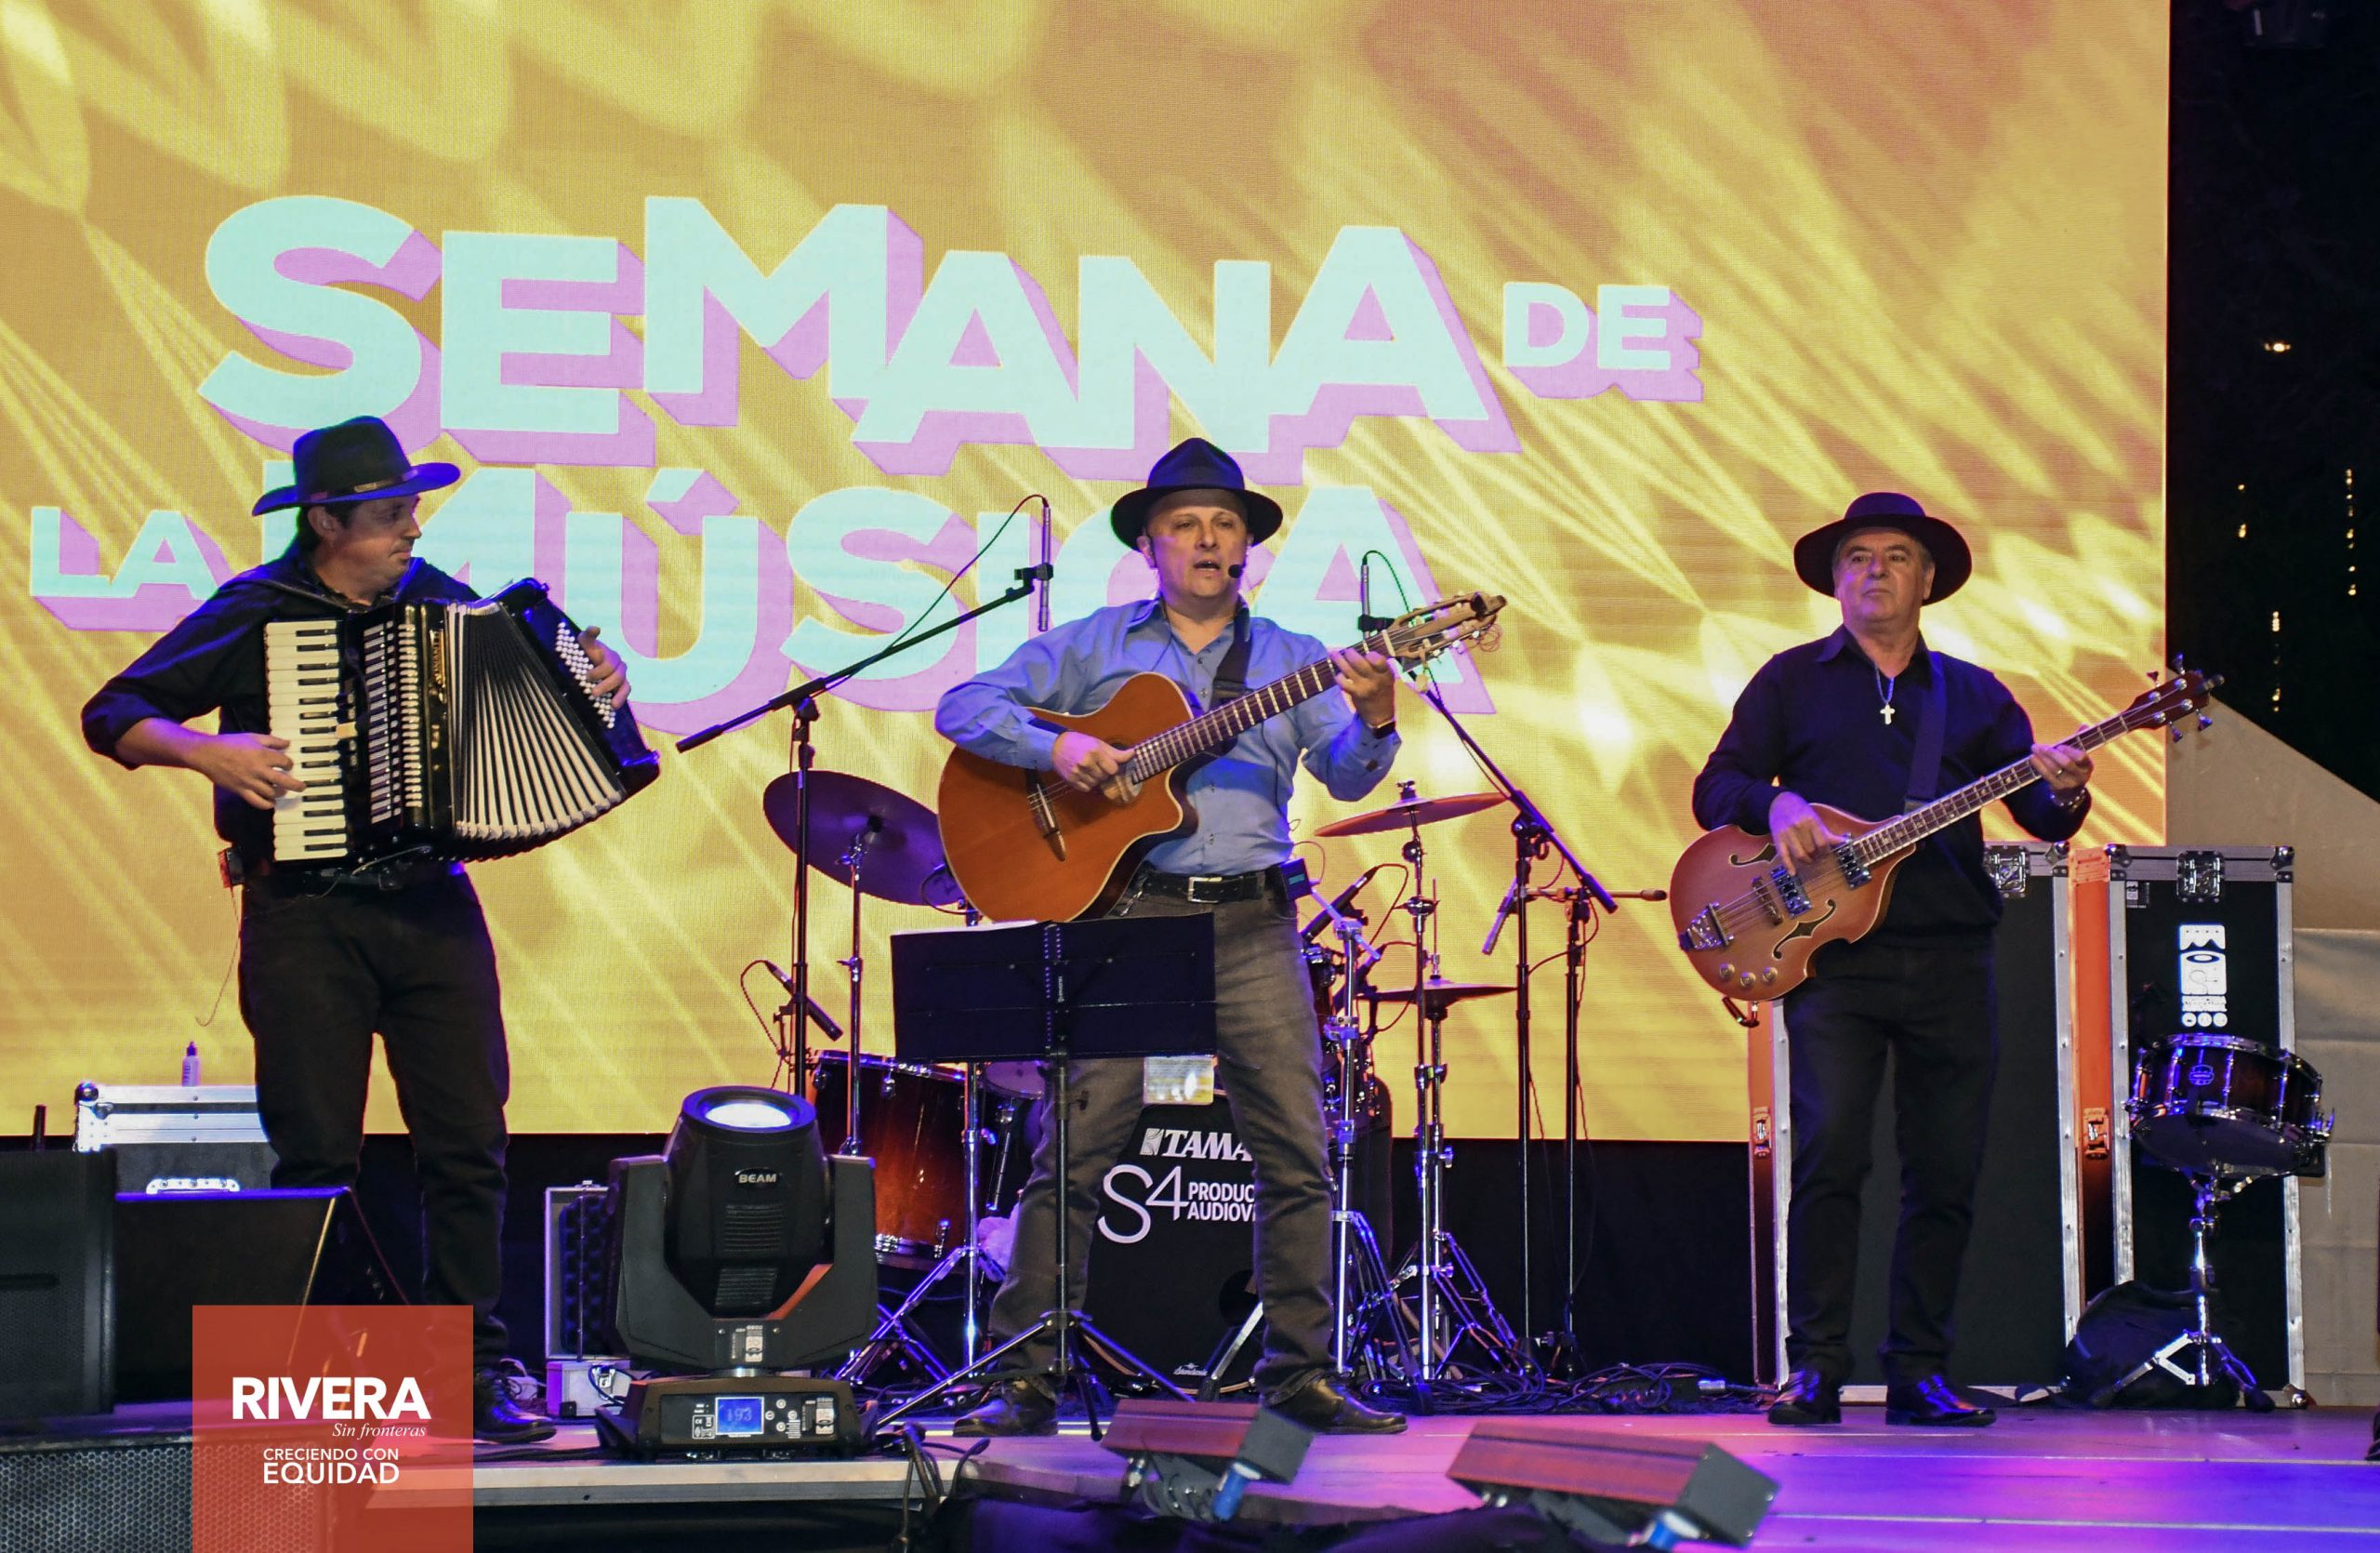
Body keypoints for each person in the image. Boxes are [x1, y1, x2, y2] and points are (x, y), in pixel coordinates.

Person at [81, 416, 627, 1444]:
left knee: (468, 1143)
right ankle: (328, 1379)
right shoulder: (257, 608)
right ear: (326, 522)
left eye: (412, 511)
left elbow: (552, 677)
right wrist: (209, 753)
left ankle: (472, 1366)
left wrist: (598, 674)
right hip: (303, 914)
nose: (411, 531)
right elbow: (113, 713)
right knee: (318, 1152)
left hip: (429, 901)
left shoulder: (440, 602)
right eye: (390, 516)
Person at [933, 437, 1408, 1435]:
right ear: (1148, 545)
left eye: (1225, 524)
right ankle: (1026, 1376)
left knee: (1296, 1152)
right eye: (1185, 524)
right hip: (1131, 914)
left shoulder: (1291, 658)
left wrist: (1374, 716)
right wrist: (1058, 744)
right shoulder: (1096, 644)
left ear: (1247, 547)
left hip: (1252, 919)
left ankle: (1300, 1376)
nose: (1207, 539)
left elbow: (1349, 775)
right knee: (1073, 1150)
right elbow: (963, 705)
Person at [1692, 491, 2094, 1428]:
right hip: (1834, 961)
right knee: (1829, 1156)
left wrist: (2068, 790)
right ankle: (1814, 1368)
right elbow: (1717, 786)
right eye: (1857, 557)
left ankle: (1919, 1370)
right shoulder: (1790, 682)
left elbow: (2041, 816)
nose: (1875, 570)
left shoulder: (1975, 694)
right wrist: (1776, 804)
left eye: (1896, 556)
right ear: (1836, 581)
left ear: (1927, 580)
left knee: (1944, 1170)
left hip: (1950, 956)